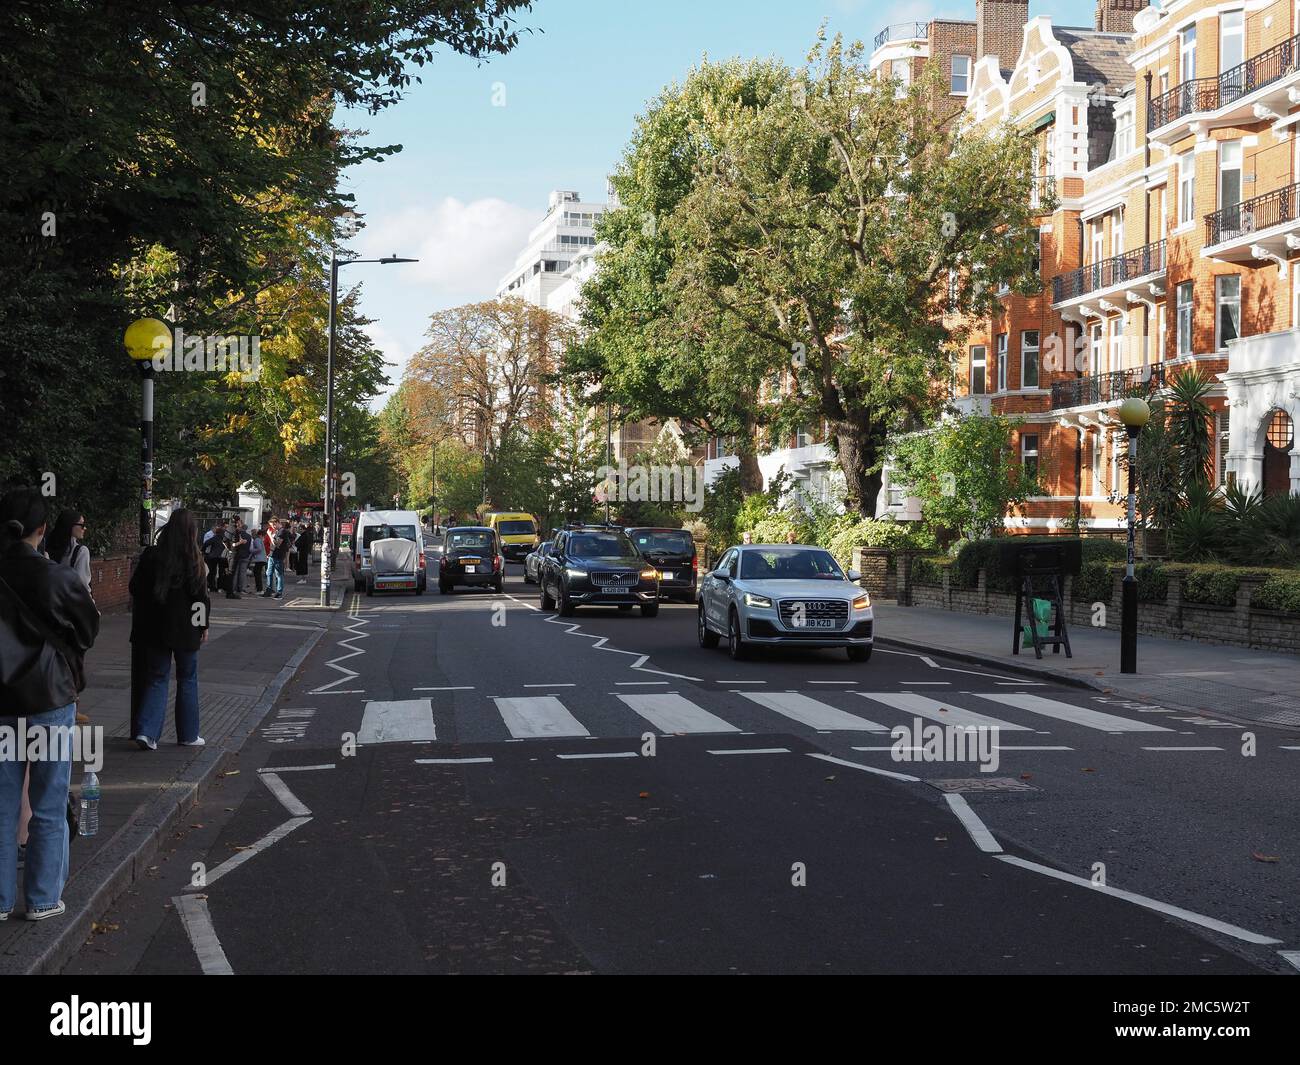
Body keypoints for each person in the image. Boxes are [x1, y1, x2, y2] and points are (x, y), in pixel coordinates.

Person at [0, 488, 100, 921]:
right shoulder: (58, 577)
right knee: (48, 801)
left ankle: (0, 901)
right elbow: (87, 630)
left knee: (2, 805)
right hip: (50, 700)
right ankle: (42, 898)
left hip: (2, 702)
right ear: (43, 530)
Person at [130, 510, 210, 751]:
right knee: (187, 678)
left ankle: (147, 732)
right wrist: (202, 626)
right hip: (186, 629)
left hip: (155, 628)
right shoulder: (195, 561)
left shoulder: (151, 556)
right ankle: (188, 734)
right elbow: (200, 599)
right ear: (191, 532)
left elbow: (135, 588)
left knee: (157, 678)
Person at [44, 510, 91, 592]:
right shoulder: (81, 551)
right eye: (82, 525)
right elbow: (82, 586)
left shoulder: (47, 547)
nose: (85, 528)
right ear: (71, 526)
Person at [267, 520, 292, 599]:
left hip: (278, 556)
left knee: (279, 574)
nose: (273, 527)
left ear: (277, 523)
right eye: (271, 526)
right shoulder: (278, 531)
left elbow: (277, 544)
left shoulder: (282, 531)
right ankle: (269, 589)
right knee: (269, 572)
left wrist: (270, 536)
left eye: (273, 525)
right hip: (273, 555)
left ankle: (279, 592)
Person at [202, 520, 227, 593]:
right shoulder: (224, 539)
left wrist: (203, 550)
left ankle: (211, 586)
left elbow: (206, 543)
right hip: (222, 557)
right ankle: (219, 587)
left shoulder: (215, 538)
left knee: (212, 572)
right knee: (221, 572)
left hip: (213, 557)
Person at [228, 518, 251, 599]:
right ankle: (232, 591)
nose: (240, 525)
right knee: (234, 573)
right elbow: (233, 545)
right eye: (239, 523)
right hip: (236, 555)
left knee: (235, 573)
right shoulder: (235, 532)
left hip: (237, 555)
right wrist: (240, 542)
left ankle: (232, 590)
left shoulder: (236, 532)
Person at [249, 524, 268, 594]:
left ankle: (259, 589)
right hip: (262, 559)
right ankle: (259, 588)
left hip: (259, 559)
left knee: (257, 574)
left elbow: (259, 549)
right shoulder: (259, 540)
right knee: (258, 573)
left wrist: (251, 550)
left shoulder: (257, 540)